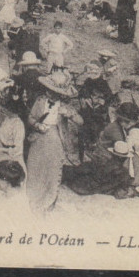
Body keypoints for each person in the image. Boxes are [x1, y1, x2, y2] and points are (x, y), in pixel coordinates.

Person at [25, 74, 83, 214]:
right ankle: (32, 199)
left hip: (56, 139)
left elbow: (80, 121)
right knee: (34, 168)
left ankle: (48, 200)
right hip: (38, 139)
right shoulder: (39, 101)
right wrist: (38, 125)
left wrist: (69, 114)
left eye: (55, 93)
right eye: (49, 91)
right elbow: (31, 118)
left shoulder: (65, 107)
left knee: (52, 170)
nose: (50, 95)